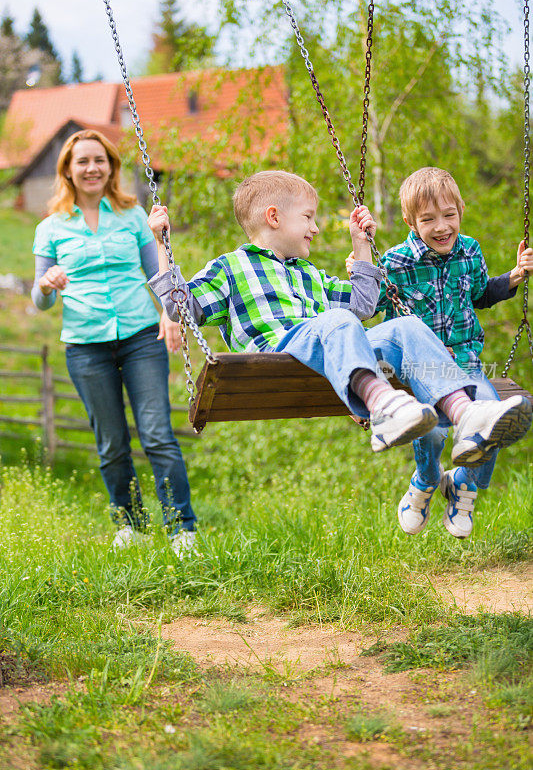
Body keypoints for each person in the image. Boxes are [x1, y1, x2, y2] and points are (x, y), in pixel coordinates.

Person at [146, 170, 531, 478]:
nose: (315, 228)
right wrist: (162, 246)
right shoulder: (230, 268)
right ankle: (384, 409)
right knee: (337, 321)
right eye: (309, 218)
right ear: (274, 218)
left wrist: (361, 244)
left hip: (335, 349)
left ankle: (467, 415)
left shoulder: (310, 274)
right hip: (281, 355)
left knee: (408, 327)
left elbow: (363, 306)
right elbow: (180, 307)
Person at [31, 129, 197, 556]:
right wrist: (47, 285)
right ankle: (130, 524)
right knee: (110, 441)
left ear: (111, 167)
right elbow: (40, 300)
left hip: (141, 337)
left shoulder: (134, 216)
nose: (91, 168)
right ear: (67, 169)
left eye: (99, 160)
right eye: (82, 161)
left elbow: (157, 275)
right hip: (85, 345)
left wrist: (169, 312)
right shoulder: (50, 228)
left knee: (158, 434)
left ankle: (182, 530)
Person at [346, 166, 533, 538]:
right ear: (410, 222)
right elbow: (366, 311)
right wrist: (361, 265)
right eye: (428, 219)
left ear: (460, 211)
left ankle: (461, 485)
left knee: (493, 415)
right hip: (419, 371)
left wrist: (513, 277)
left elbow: (480, 295)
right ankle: (426, 481)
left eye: (449, 215)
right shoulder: (396, 262)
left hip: (465, 363)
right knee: (430, 434)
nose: (441, 226)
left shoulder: (470, 251)